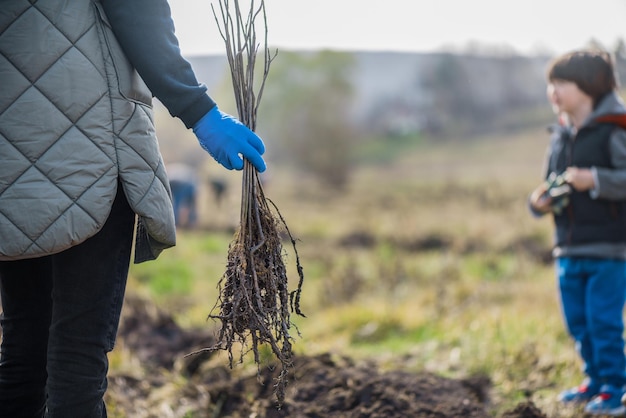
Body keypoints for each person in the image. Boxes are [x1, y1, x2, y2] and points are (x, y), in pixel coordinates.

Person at [0, 0, 266, 416]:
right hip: (89, 152)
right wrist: (200, 111)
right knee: (77, 358)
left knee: (22, 348)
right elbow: (136, 8)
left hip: (7, 164)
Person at [529, 49, 626, 416]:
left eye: (561, 83)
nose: (553, 91)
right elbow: (547, 187)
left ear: (588, 87)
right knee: (579, 323)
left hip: (610, 249)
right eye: (550, 84)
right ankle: (595, 382)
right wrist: (538, 202)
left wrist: (594, 180)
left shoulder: (615, 130)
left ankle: (617, 390)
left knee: (603, 322)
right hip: (568, 249)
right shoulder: (559, 137)